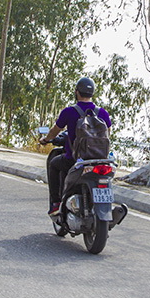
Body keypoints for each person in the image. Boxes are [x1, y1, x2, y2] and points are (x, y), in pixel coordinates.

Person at [38, 77, 112, 215]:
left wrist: (46, 139)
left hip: (74, 160)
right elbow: (107, 135)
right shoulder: (102, 113)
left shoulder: (69, 112)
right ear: (92, 93)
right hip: (99, 160)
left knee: (54, 164)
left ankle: (56, 203)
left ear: (77, 92)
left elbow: (55, 131)